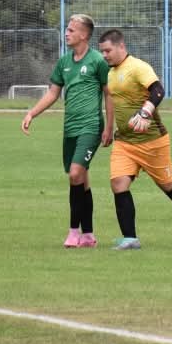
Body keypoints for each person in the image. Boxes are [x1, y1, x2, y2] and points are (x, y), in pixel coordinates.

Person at [98, 29, 172, 249]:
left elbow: (158, 90)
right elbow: (112, 101)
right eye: (102, 52)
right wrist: (108, 128)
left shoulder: (138, 67)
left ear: (121, 46)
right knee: (118, 183)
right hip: (125, 142)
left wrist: (145, 113)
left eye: (108, 50)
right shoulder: (110, 73)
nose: (104, 55)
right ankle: (130, 238)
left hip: (152, 141)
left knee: (168, 185)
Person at [22, 14, 113, 248]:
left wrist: (109, 127)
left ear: (84, 34)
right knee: (81, 180)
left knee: (75, 174)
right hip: (70, 128)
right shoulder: (64, 62)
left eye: (71, 30)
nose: (66, 33)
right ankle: (88, 235)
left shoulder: (97, 61)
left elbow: (109, 94)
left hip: (91, 126)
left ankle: (73, 232)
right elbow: (53, 93)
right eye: (67, 29)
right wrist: (32, 113)